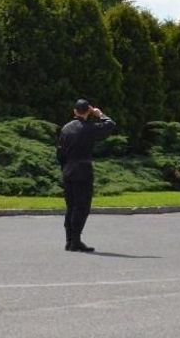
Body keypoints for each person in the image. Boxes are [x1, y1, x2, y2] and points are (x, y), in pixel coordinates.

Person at [56, 99, 117, 252]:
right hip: (83, 170)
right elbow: (110, 124)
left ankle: (69, 240)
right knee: (81, 206)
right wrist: (99, 113)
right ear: (88, 112)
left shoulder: (65, 128)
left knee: (71, 206)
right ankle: (75, 240)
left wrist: (64, 168)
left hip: (68, 169)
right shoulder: (90, 128)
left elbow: (60, 153)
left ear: (75, 111)